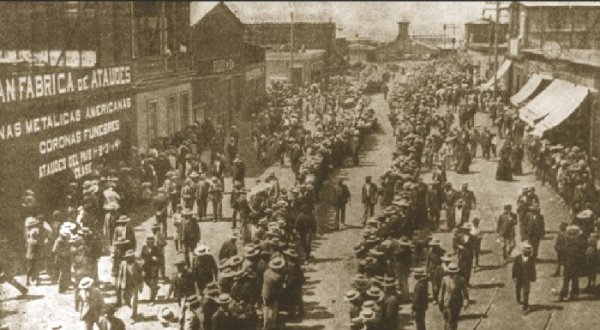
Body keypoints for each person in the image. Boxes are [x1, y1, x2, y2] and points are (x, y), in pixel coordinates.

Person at [439, 263, 469, 330]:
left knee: (453, 322)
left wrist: (465, 302)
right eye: (450, 272)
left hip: (456, 304)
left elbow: (465, 294)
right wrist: (440, 301)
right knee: (446, 321)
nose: (451, 274)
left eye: (453, 273)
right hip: (446, 303)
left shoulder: (461, 280)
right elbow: (442, 292)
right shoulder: (445, 279)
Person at [115, 249, 142, 321]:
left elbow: (140, 276)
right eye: (128, 257)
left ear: (133, 257)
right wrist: (118, 284)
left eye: (131, 256)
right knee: (125, 299)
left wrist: (140, 285)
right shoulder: (123, 264)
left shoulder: (137, 264)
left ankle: (134, 316)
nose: (129, 258)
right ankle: (132, 310)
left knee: (134, 301)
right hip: (125, 285)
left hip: (134, 285)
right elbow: (120, 275)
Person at [512, 242, 536, 315]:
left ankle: (525, 307)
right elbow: (514, 268)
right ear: (522, 251)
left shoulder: (532, 259)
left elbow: (533, 269)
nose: (528, 253)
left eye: (529, 252)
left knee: (526, 292)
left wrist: (533, 278)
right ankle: (518, 298)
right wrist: (514, 277)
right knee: (518, 289)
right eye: (526, 252)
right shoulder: (517, 258)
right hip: (519, 278)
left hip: (526, 278)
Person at [262, 257, 285, 330]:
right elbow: (280, 288)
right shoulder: (278, 277)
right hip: (273, 295)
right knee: (273, 310)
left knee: (265, 308)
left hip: (264, 293)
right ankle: (272, 325)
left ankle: (265, 325)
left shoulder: (266, 272)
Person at [140, 236, 161, 305]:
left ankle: (152, 300)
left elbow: (160, 258)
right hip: (146, 268)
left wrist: (156, 258)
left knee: (152, 283)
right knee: (146, 281)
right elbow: (141, 256)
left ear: (153, 242)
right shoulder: (144, 248)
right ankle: (155, 289)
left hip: (154, 268)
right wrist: (142, 261)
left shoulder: (156, 248)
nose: (149, 243)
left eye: (151, 242)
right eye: (148, 242)